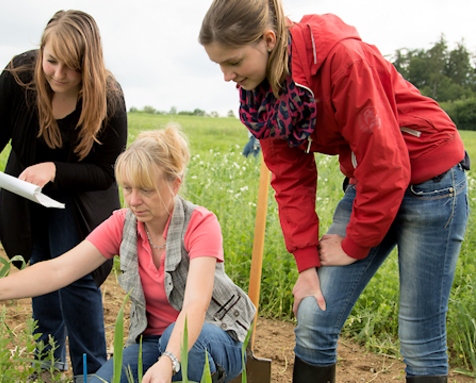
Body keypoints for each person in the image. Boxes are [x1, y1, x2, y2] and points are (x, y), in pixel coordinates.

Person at [199, 1, 470, 382]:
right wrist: (306, 264)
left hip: (431, 182)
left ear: (268, 40)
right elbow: (290, 179)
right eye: (219, 65)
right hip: (371, 182)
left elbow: (388, 164)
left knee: (418, 337)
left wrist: (353, 244)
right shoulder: (262, 97)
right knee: (313, 314)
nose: (227, 76)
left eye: (234, 62)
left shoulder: (343, 58)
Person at [0, 125, 256, 383]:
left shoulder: (200, 224)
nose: (134, 201)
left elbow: (195, 305)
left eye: (146, 190)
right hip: (151, 342)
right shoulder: (122, 224)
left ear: (174, 185)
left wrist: (169, 362)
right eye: (128, 188)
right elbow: (59, 270)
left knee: (176, 343)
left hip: (214, 336)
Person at [0, 10, 127, 383]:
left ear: (91, 66)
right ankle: (46, 367)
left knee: (75, 277)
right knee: (38, 267)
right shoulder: (19, 77)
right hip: (27, 191)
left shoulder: (109, 97)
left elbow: (106, 171)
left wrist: (55, 170)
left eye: (72, 67)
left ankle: (90, 373)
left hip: (80, 197)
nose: (58, 74)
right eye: (52, 61)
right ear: (41, 50)